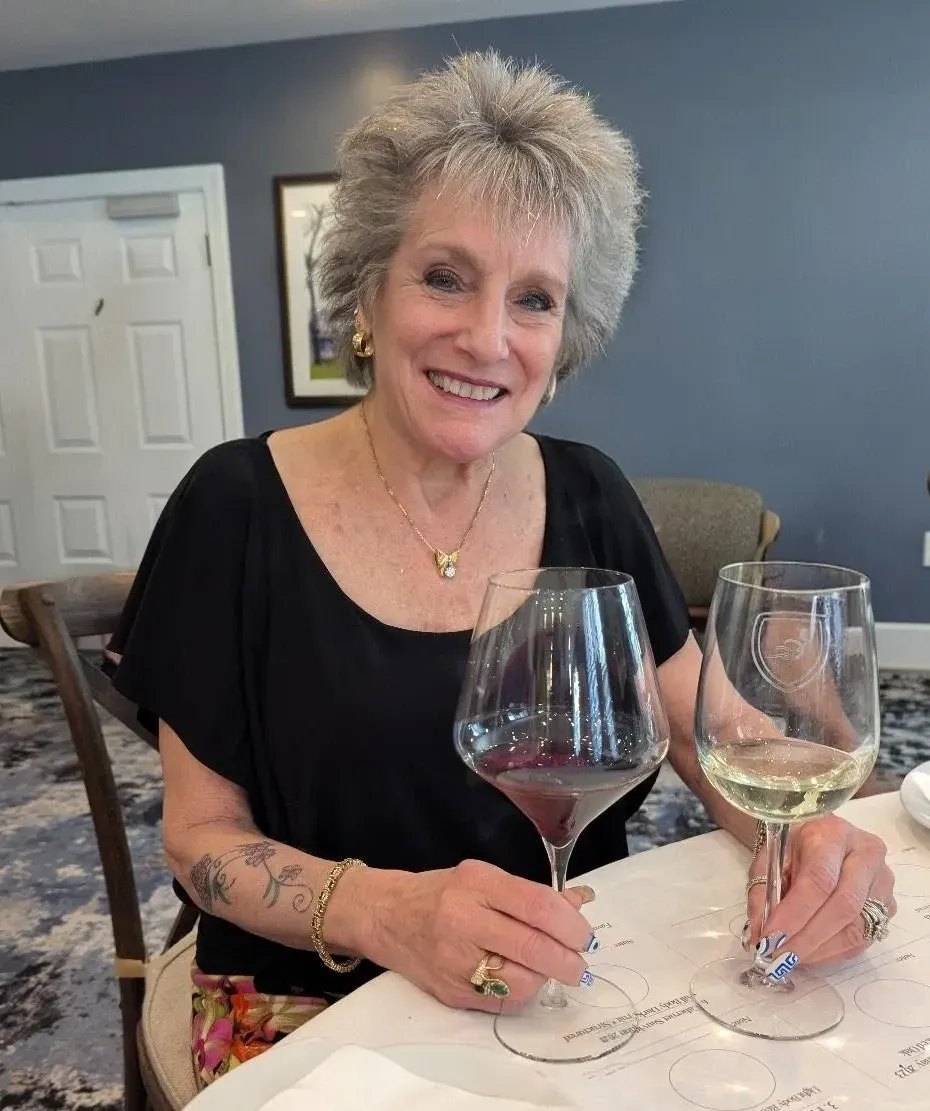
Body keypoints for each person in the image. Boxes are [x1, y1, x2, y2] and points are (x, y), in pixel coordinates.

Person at [109, 51, 895, 1086]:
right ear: (367, 291)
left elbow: (715, 740)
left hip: (578, 981)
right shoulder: (234, 506)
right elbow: (201, 839)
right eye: (445, 277)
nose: (487, 339)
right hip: (313, 999)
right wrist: (389, 910)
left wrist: (814, 838)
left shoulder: (590, 491)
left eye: (534, 299)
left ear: (566, 338)